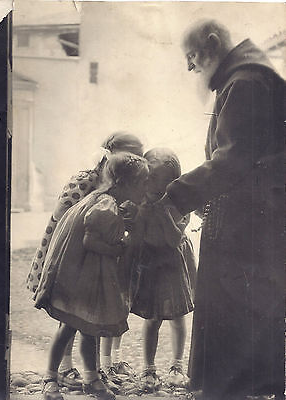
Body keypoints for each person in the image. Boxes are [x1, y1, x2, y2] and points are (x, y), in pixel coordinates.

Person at [159, 19, 285, 400]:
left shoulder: (245, 82)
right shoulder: (244, 77)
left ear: (213, 45)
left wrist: (177, 196)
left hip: (249, 222)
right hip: (251, 216)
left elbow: (233, 158)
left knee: (235, 312)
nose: (190, 67)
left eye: (192, 56)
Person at [27, 132, 144, 390]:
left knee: (88, 324)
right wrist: (118, 246)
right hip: (74, 265)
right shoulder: (96, 192)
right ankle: (57, 375)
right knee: (70, 321)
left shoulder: (108, 194)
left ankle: (91, 378)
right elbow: (85, 234)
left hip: (89, 270)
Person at [131, 148, 196, 393]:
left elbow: (172, 238)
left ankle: (177, 366)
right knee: (152, 317)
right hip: (151, 263)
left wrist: (160, 210)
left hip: (172, 261)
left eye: (162, 184)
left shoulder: (180, 203)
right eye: (149, 181)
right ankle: (148, 368)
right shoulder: (140, 199)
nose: (154, 189)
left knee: (179, 315)